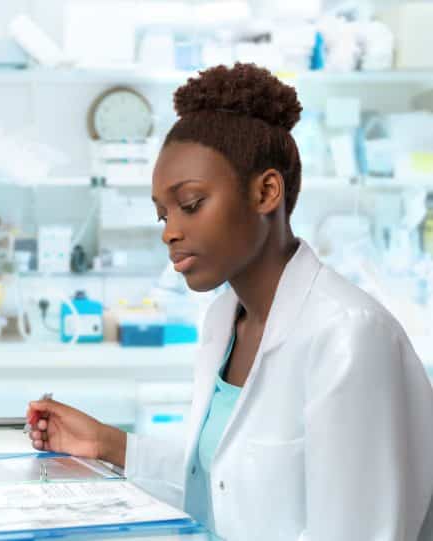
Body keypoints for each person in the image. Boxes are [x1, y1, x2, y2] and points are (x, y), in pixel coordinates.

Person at [26, 63, 433, 540]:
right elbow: (226, 485)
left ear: (266, 192)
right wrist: (107, 444)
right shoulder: (225, 318)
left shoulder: (349, 336)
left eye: (192, 203)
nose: (170, 231)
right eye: (162, 214)